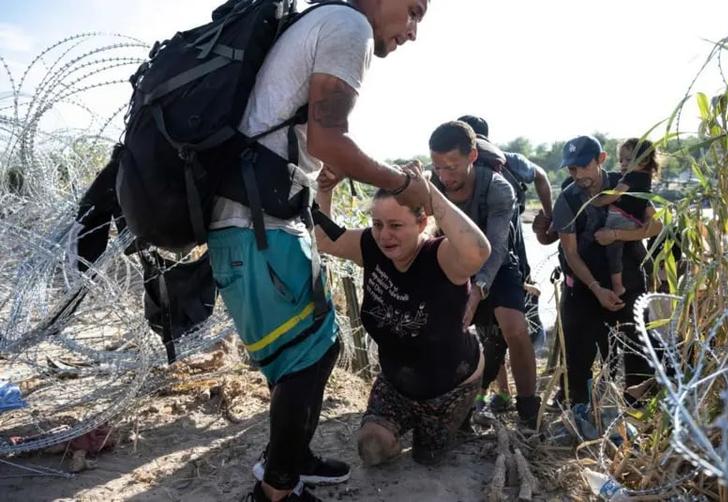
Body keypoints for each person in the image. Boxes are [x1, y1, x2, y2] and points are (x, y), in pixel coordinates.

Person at [206, 2, 431, 501]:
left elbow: (314, 140)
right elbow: (331, 139)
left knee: (317, 347)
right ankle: (275, 490)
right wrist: (404, 184)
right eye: (413, 10)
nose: (413, 31)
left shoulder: (324, 20)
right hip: (257, 224)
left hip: (265, 218)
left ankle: (295, 458)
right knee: (303, 360)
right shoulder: (351, 27)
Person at [314, 161, 490, 466]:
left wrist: (430, 194)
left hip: (449, 386)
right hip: (397, 384)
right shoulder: (370, 246)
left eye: (396, 225)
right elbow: (324, 240)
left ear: (422, 224)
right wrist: (324, 189)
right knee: (371, 449)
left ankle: (461, 416)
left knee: (428, 459)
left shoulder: (442, 256)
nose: (385, 236)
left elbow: (478, 251)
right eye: (378, 224)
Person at [429, 121, 542, 430]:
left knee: (514, 328)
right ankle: (459, 408)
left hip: (499, 259)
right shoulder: (433, 187)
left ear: (473, 156)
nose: (445, 176)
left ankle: (529, 411)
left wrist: (478, 288)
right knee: (453, 331)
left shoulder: (498, 188)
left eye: (452, 166)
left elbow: (497, 246)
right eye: (438, 167)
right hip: (455, 259)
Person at [547, 135, 663, 406]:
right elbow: (571, 253)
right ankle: (579, 407)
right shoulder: (567, 199)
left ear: (600, 160)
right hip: (585, 285)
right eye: (572, 169)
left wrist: (615, 234)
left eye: (583, 166)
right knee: (578, 353)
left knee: (637, 349)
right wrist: (597, 288)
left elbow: (655, 226)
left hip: (629, 280)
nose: (578, 175)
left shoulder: (626, 183)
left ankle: (637, 408)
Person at [456, 115, 553, 415]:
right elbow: (540, 176)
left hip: (505, 252)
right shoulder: (502, 161)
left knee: (506, 328)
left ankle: (518, 401)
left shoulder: (503, 166)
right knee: (495, 332)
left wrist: (549, 215)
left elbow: (496, 246)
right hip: (480, 252)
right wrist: (549, 214)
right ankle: (498, 395)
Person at [590, 138, 658, 296]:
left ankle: (617, 285)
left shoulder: (632, 177)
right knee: (638, 248)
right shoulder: (644, 179)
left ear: (644, 160)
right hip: (634, 221)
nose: (623, 163)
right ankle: (653, 274)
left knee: (614, 251)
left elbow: (615, 194)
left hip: (622, 219)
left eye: (628, 159)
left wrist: (597, 201)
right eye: (621, 160)